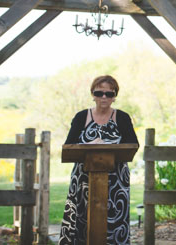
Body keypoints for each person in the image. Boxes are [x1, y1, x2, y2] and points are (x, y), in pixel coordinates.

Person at [59, 75, 138, 245]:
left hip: (116, 181)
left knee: (114, 221)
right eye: (99, 93)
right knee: (81, 219)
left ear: (114, 96)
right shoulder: (81, 117)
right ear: (93, 94)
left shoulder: (122, 118)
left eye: (109, 94)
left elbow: (132, 145)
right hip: (83, 179)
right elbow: (69, 146)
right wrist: (89, 145)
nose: (104, 97)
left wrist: (108, 146)